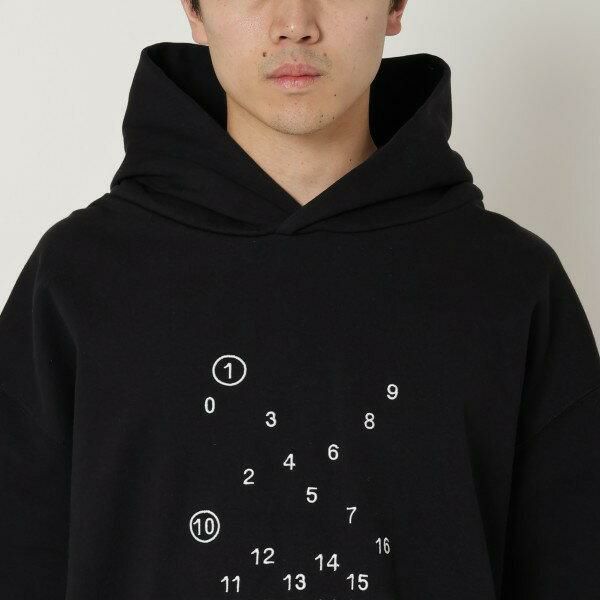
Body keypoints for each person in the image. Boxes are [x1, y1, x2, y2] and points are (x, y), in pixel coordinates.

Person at [1, 0, 599, 597]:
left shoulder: (510, 283)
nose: (295, 23)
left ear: (394, 6)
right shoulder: (80, 278)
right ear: (195, 10)